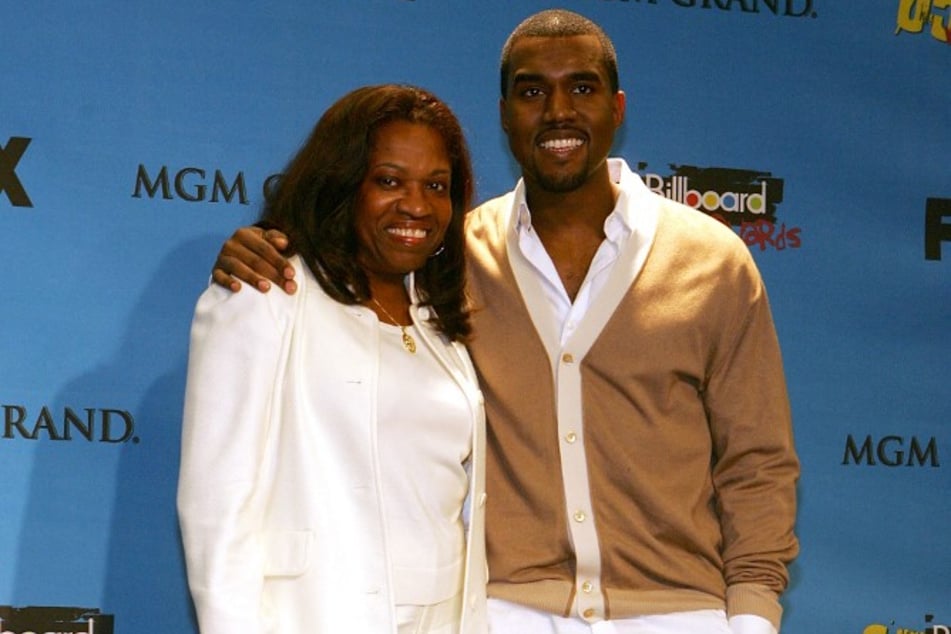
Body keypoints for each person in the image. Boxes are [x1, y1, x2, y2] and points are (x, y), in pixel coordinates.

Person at [210, 10, 799, 634]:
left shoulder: (714, 261)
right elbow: (354, 267)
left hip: (682, 614)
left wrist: (753, 616)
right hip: (505, 613)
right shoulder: (451, 256)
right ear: (503, 113)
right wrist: (272, 244)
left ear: (618, 106)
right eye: (531, 91)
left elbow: (757, 460)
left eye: (582, 87)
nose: (558, 111)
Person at [177, 84, 488, 634]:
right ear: (342, 184)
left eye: (435, 186)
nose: (416, 205)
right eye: (388, 181)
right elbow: (216, 506)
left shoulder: (442, 318)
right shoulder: (267, 291)